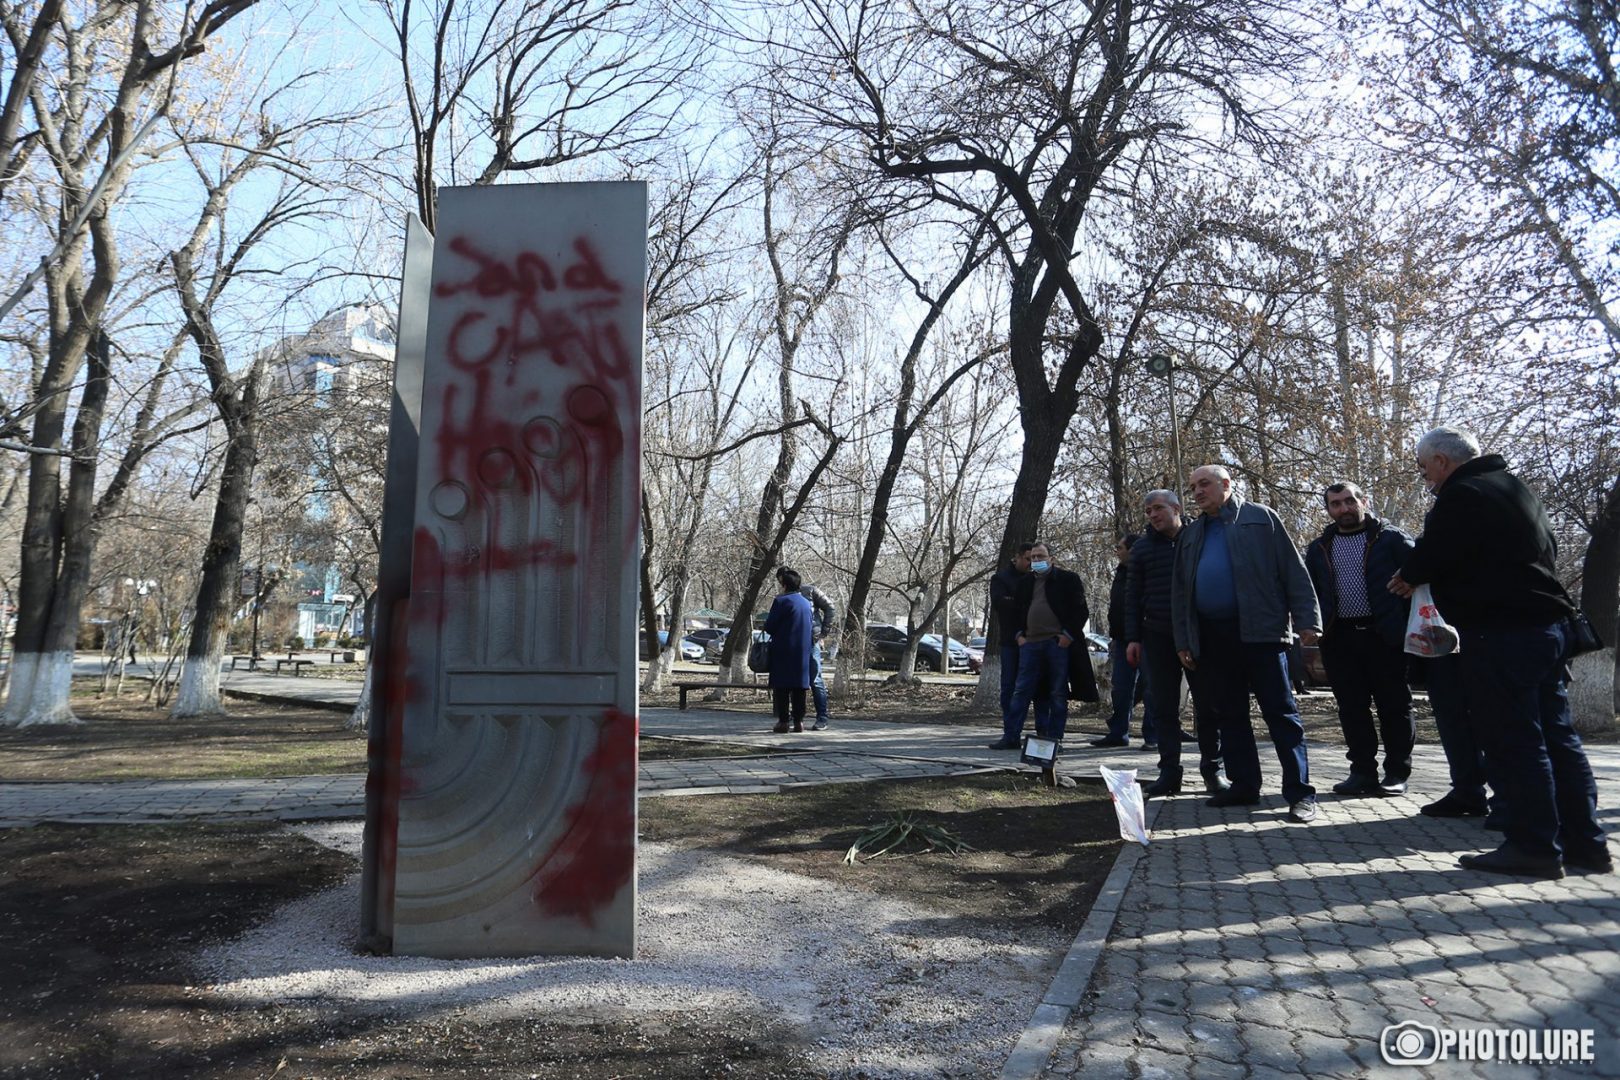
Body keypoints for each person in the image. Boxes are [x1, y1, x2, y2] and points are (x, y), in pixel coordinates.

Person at [1389, 426, 1609, 878]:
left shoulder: (1463, 494)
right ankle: (1585, 844)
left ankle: (1532, 848)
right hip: (1546, 628)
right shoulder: (1514, 488)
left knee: (1516, 742)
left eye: (1424, 467)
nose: (1424, 475)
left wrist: (1410, 573)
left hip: (1504, 633)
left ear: (1442, 462)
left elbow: (1436, 552)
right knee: (1557, 739)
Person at [1171, 465, 1322, 823]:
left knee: (1281, 714)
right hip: (1213, 638)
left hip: (1262, 633)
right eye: (1192, 487)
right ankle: (1244, 786)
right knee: (1230, 715)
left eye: (1203, 484)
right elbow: (1180, 593)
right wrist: (1184, 640)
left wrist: (1307, 622)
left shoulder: (1260, 519)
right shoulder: (1192, 533)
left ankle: (1300, 794)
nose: (1196, 492)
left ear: (1226, 484)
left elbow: (1293, 571)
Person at [1303, 481, 1416, 797]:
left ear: (1364, 501)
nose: (1344, 509)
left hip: (1386, 637)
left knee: (1394, 707)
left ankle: (1396, 773)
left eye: (1349, 501)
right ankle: (1362, 772)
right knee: (1352, 709)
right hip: (1339, 639)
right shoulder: (1319, 548)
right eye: (1336, 504)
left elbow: (1422, 572)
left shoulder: (1391, 539)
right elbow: (1308, 592)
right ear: (1328, 510)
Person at [1129, 489, 1227, 798]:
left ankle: (1213, 770)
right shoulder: (1142, 549)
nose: (1153, 515)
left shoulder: (1197, 539)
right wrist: (1133, 637)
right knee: (1163, 707)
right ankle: (1169, 773)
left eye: (1158, 508)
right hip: (1157, 634)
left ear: (1176, 508)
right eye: (1148, 511)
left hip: (1198, 633)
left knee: (1208, 704)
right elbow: (1132, 598)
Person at [992, 541, 1091, 747]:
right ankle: (1011, 736)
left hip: (1057, 644)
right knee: (1021, 691)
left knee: (1057, 693)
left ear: (1051, 559)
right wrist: (1020, 636)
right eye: (1033, 557)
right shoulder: (1025, 583)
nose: (1036, 560)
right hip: (1030, 645)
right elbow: (1016, 612)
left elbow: (1080, 610)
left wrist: (1067, 636)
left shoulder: (1067, 579)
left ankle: (1053, 740)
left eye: (1040, 556)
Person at [1093, 533, 1154, 749]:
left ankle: (1152, 736)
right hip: (1121, 639)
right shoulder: (1120, 572)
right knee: (1120, 689)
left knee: (1151, 689)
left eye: (1120, 548)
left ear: (1132, 550)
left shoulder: (1146, 572)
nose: (1117, 552)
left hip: (1146, 638)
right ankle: (1118, 733)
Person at [987, 542, 1049, 748]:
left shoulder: (1039, 579)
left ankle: (1044, 735)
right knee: (1010, 689)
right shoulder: (1002, 579)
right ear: (1017, 557)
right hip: (1012, 642)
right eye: (1028, 558)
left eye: (1036, 558)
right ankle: (1011, 734)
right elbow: (1002, 605)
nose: (1032, 563)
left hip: (1037, 641)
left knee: (1041, 689)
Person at [764, 567, 815, 734]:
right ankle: (799, 722)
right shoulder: (807, 604)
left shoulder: (781, 601)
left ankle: (783, 721)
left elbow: (770, 626)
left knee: (782, 687)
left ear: (784, 584)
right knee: (800, 687)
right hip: (803, 651)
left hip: (784, 650)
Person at [798, 578, 836, 730]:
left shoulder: (810, 591)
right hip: (793, 643)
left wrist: (823, 632)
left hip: (811, 641)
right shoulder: (786, 595)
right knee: (795, 681)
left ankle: (822, 717)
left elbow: (830, 607)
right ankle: (796, 718)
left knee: (815, 679)